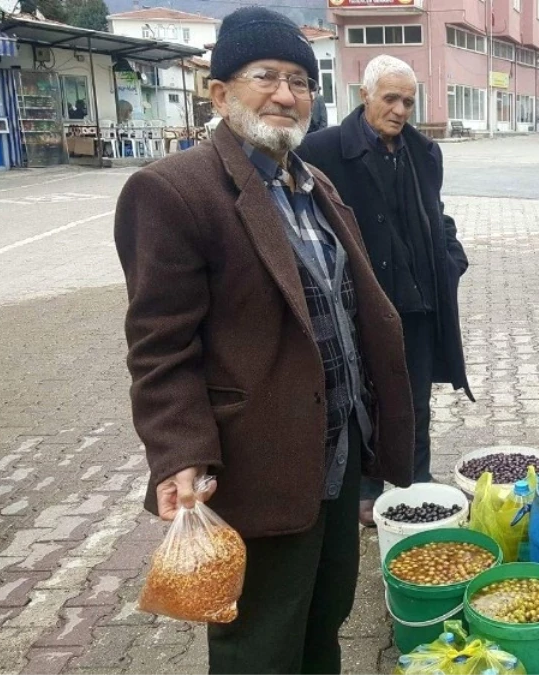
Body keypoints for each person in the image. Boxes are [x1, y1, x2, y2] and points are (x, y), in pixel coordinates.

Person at [113, 7, 414, 673]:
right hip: (258, 463)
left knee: (322, 620)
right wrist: (179, 451)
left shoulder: (314, 185)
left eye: (301, 81)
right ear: (219, 93)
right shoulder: (173, 191)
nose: (286, 94)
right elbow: (160, 345)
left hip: (336, 455)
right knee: (260, 644)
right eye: (266, 77)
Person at [298, 55, 471, 528]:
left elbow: (437, 210)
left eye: (408, 101)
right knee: (364, 397)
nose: (400, 110)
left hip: (416, 300)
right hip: (357, 304)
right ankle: (366, 489)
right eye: (390, 98)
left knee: (415, 398)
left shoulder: (423, 152)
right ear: (364, 96)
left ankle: (415, 479)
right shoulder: (321, 149)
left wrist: (452, 257)